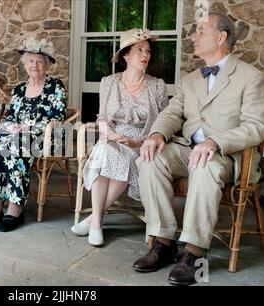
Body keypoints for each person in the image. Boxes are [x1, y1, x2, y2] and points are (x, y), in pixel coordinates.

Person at [133, 13, 264, 286]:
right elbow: (172, 113)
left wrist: (216, 141)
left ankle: (194, 253)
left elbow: (257, 126)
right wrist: (158, 133)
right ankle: (163, 242)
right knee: (149, 158)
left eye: (200, 31)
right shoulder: (190, 79)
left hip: (227, 156)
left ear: (221, 38)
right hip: (188, 149)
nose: (193, 37)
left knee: (204, 165)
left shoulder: (251, 77)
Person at [70, 29, 169, 246]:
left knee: (120, 157)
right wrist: (113, 135)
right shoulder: (109, 82)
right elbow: (103, 118)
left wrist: (139, 142)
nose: (145, 55)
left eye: (148, 51)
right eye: (139, 50)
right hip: (112, 137)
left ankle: (94, 219)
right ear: (126, 55)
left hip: (141, 144)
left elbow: (164, 123)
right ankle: (96, 222)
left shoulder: (157, 86)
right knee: (105, 151)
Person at [0, 37, 67, 232]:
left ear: (46, 65)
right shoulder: (18, 89)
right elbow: (12, 117)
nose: (35, 65)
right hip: (20, 136)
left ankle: (15, 209)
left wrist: (26, 127)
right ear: (25, 65)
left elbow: (58, 116)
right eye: (31, 61)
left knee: (17, 144)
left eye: (40, 61)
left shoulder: (56, 86)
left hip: (48, 137)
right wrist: (10, 126)